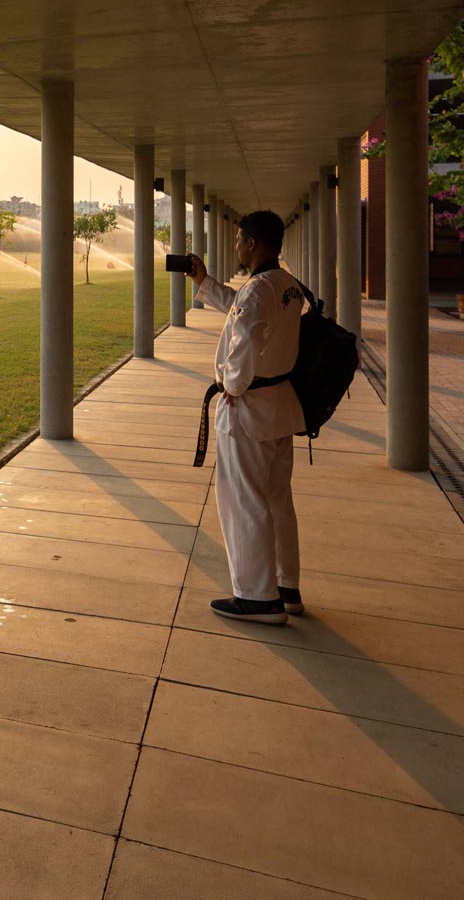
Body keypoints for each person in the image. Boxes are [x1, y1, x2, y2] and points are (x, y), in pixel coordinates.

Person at [188, 210, 307, 625]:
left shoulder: (259, 290)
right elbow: (245, 310)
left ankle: (257, 598)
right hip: (278, 407)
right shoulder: (287, 285)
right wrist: (204, 283)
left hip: (249, 410)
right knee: (276, 501)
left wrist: (230, 388)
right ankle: (284, 585)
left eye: (239, 239)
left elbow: (244, 341)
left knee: (245, 502)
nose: (236, 246)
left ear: (253, 242)